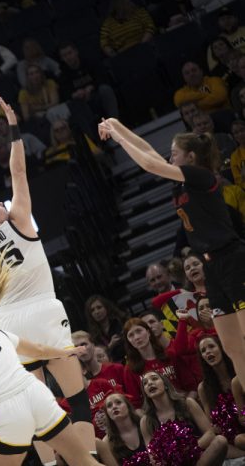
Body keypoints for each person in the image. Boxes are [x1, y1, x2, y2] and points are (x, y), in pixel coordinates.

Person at [0, 96, 94, 457]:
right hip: (44, 312)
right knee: (77, 400)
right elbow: (18, 172)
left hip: (11, 327)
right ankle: (87, 460)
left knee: (37, 414)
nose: (3, 203)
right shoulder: (19, 223)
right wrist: (14, 128)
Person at [99, 122, 245, 385]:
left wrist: (119, 138)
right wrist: (118, 126)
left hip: (232, 259)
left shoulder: (201, 175)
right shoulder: (181, 181)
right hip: (211, 266)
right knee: (233, 348)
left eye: (174, 152)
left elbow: (151, 164)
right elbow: (151, 154)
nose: (170, 156)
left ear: (190, 157)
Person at [0, 261, 97, 465]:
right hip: (35, 393)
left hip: (6, 408)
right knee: (85, 462)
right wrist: (68, 350)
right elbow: (39, 350)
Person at [139, 371, 228, 465]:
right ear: (146, 394)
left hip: (198, 457)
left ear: (165, 385)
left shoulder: (187, 403)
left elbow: (210, 433)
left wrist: (186, 451)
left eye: (154, 378)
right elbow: (153, 456)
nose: (150, 383)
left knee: (220, 441)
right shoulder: (146, 421)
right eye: (145, 383)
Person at [121, 317, 198, 407]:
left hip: (184, 406)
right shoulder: (129, 370)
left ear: (148, 332)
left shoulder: (170, 355)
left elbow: (192, 387)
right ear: (129, 342)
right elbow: (136, 406)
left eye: (139, 331)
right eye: (131, 335)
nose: (137, 337)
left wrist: (188, 406)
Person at [196, 335, 245, 456]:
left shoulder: (239, 372)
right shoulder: (204, 388)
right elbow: (212, 426)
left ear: (222, 348)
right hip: (230, 439)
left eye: (211, 346)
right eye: (203, 350)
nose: (208, 352)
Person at [94, 392, 148, 466]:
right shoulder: (107, 442)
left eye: (118, 402)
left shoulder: (144, 423)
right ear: (107, 414)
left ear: (128, 406)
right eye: (109, 406)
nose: (114, 407)